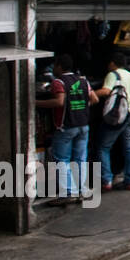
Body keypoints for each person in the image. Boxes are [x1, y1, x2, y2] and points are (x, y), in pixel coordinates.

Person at [34, 54, 92, 200]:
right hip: (83, 125)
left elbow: (59, 102)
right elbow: (94, 98)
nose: (53, 68)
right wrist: (80, 107)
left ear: (59, 66)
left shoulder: (59, 82)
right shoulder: (83, 80)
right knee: (80, 159)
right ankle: (82, 190)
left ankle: (69, 192)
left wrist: (36, 103)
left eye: (55, 65)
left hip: (66, 126)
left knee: (62, 159)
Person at [93, 52, 130, 192]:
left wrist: (90, 93)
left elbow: (106, 91)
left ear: (113, 63)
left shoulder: (113, 75)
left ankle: (106, 181)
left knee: (103, 147)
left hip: (117, 115)